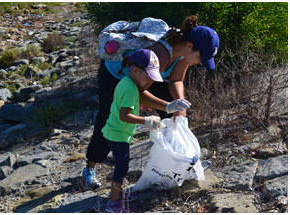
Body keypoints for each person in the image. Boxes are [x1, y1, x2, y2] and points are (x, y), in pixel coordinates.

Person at [82, 15, 220, 190]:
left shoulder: (184, 50)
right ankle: (89, 168)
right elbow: (137, 92)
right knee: (109, 118)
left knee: (175, 112)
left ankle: (181, 162)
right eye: (201, 58)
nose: (201, 62)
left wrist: (179, 102)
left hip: (149, 75)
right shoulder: (161, 54)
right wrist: (166, 105)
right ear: (190, 46)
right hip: (116, 76)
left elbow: (176, 80)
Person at [102, 49, 190, 213]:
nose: (149, 80)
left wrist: (163, 106)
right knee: (121, 169)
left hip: (116, 132)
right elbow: (124, 115)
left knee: (122, 166)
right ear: (134, 70)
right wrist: (146, 121)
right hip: (118, 134)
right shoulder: (130, 88)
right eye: (147, 75)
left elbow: (127, 105)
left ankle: (118, 195)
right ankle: (113, 204)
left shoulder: (127, 83)